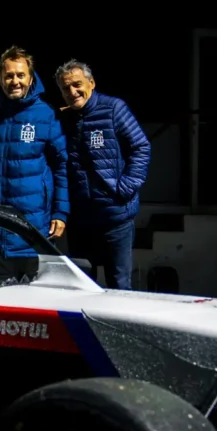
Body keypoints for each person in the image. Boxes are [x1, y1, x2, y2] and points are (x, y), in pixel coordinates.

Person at [0, 45, 68, 282]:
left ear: (31, 78)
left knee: (36, 292)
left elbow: (61, 165)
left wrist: (61, 212)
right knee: (3, 291)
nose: (15, 81)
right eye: (9, 75)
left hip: (34, 224)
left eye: (21, 75)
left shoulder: (46, 114)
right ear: (0, 78)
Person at [54, 59, 150, 290]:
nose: (72, 92)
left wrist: (124, 188)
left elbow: (141, 147)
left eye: (77, 84)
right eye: (66, 88)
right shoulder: (64, 119)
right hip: (80, 220)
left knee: (119, 286)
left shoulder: (114, 109)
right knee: (82, 287)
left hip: (116, 218)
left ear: (92, 83)